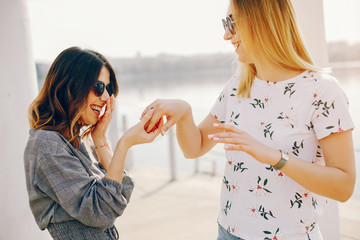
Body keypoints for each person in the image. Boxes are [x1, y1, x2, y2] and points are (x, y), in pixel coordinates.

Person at [141, 0, 356, 239]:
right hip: (228, 232)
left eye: (231, 23)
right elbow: (196, 147)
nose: (226, 35)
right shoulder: (238, 85)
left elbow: (344, 186)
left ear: (262, 21)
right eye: (225, 24)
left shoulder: (322, 90)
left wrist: (274, 157)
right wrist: (184, 112)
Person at [24, 47, 161, 239]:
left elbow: (122, 189)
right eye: (98, 87)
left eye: (109, 89)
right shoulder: (47, 145)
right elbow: (101, 211)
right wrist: (124, 143)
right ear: (71, 87)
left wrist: (101, 139)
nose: (105, 97)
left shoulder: (71, 141)